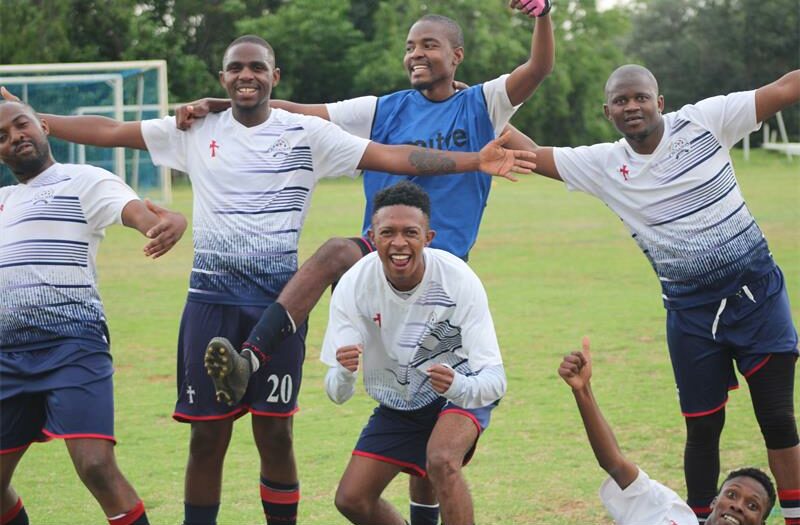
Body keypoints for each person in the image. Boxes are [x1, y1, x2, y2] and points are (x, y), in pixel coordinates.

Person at [2, 35, 534, 525]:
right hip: (207, 303)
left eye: (257, 67)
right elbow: (110, 131)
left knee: (276, 433)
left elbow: (393, 156)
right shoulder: (196, 129)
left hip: (280, 305)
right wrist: (34, 118)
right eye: (236, 68)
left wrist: (471, 162)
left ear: (275, 77)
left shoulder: (306, 133)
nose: (246, 75)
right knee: (206, 439)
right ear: (222, 78)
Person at [527, 65, 800, 524]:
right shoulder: (605, 164)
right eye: (621, 101)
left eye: (640, 97)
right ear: (608, 111)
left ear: (660, 102)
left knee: (777, 418)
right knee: (702, 426)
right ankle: (697, 518)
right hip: (690, 313)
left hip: (757, 297)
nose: (632, 106)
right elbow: (532, 154)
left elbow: (784, 88)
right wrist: (485, 108)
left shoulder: (705, 120)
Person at [0, 99, 187, 525]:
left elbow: (137, 213)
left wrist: (159, 223)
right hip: (7, 357)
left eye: (22, 124)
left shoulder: (83, 180)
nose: (16, 137)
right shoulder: (5, 200)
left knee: (95, 465)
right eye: (3, 137)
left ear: (43, 127)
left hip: (72, 346)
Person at [319, 180, 505, 525]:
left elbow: (495, 380)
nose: (399, 243)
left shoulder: (457, 279)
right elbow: (336, 392)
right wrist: (344, 372)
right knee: (352, 500)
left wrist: (457, 386)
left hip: (459, 393)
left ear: (428, 238)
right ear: (372, 238)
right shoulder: (354, 285)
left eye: (410, 232)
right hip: (400, 401)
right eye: (388, 232)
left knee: (441, 460)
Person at [558, 337, 777, 525]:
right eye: (731, 494)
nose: (737, 506)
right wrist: (582, 390)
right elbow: (614, 463)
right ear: (713, 502)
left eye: (752, 505)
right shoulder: (668, 509)